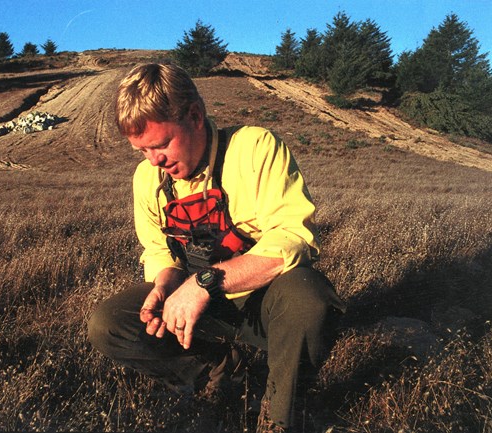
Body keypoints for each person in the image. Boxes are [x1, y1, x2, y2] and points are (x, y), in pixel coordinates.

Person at [88, 63, 346, 432]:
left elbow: (293, 238)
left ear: (195, 116)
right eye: (142, 151)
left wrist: (203, 283)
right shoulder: (147, 177)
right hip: (198, 305)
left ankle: (279, 416)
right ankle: (223, 372)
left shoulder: (255, 148)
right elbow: (159, 249)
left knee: (310, 299)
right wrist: (164, 286)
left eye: (161, 145)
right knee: (108, 324)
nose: (154, 161)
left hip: (263, 302)